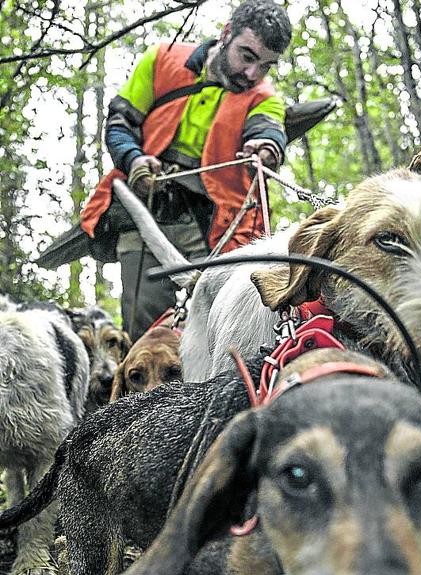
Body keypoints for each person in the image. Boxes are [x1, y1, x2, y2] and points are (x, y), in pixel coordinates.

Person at [80, 0, 292, 340]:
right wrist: (134, 159)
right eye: (247, 56)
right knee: (143, 324)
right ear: (226, 34)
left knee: (209, 322)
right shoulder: (163, 59)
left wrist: (266, 148)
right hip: (143, 210)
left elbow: (268, 130)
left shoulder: (264, 98)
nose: (253, 74)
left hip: (209, 226)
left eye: (265, 66)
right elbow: (120, 122)